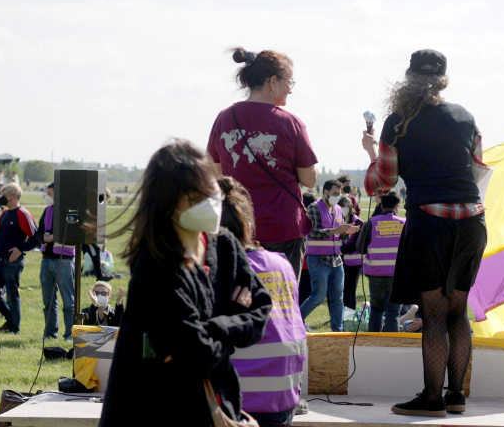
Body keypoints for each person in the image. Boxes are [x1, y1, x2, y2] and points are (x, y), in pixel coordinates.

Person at [99, 139, 272, 426]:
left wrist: (212, 328)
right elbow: (196, 354)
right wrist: (230, 321)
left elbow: (260, 311)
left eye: (211, 192)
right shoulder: (156, 266)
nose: (209, 204)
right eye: (195, 198)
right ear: (168, 204)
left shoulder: (226, 245)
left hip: (216, 405)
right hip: (154, 409)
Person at [362, 49, 487, 416]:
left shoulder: (398, 120)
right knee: (457, 311)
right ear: (443, 80)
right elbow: (479, 167)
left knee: (431, 312)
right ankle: (456, 396)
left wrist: (371, 152)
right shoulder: (465, 116)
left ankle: (431, 399)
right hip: (472, 221)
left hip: (430, 221)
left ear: (407, 78)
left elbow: (381, 183)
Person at [207, 47, 319, 280]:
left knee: (238, 303)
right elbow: (309, 179)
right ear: (272, 82)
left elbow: (216, 173)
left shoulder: (224, 118)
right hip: (283, 228)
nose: (290, 88)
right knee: (282, 305)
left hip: (237, 227)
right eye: (289, 81)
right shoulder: (291, 122)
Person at [219, 176, 307, 427]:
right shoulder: (282, 264)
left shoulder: (222, 269)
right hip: (286, 393)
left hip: (241, 401)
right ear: (248, 226)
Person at [301, 179, 358, 332]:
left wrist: (347, 232)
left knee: (338, 300)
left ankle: (337, 332)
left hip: (336, 260)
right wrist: (336, 230)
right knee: (318, 297)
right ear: (325, 192)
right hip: (318, 260)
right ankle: (296, 321)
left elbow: (338, 237)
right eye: (334, 193)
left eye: (338, 194)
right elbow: (312, 232)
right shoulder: (314, 208)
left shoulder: (338, 209)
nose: (336, 197)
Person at [0, 183, 38, 333]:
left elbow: (35, 238)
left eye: (5, 195)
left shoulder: (23, 214)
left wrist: (21, 250)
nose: (2, 198)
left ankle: (14, 327)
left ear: (14, 197)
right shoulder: (5, 213)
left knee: (12, 295)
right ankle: (10, 320)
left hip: (13, 262)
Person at [357, 191, 405, 332]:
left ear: (381, 206)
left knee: (376, 311)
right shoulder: (404, 223)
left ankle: (374, 344)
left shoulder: (371, 223)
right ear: (397, 206)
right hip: (396, 276)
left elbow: (360, 247)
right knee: (393, 314)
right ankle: (392, 347)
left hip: (375, 274)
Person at [36, 182, 76, 340]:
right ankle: (51, 333)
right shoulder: (47, 211)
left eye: (50, 194)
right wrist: (43, 238)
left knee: (68, 301)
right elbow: (38, 232)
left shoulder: (70, 211)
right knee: (48, 301)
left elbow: (73, 231)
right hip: (46, 259)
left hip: (64, 260)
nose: (47, 196)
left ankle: (70, 334)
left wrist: (54, 237)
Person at [338, 196, 364, 310]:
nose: (343, 209)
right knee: (341, 290)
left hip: (354, 262)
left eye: (346, 207)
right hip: (341, 260)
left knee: (350, 290)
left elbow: (358, 244)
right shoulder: (339, 221)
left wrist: (341, 250)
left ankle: (350, 313)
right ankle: (341, 314)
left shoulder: (358, 222)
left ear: (350, 207)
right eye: (341, 207)